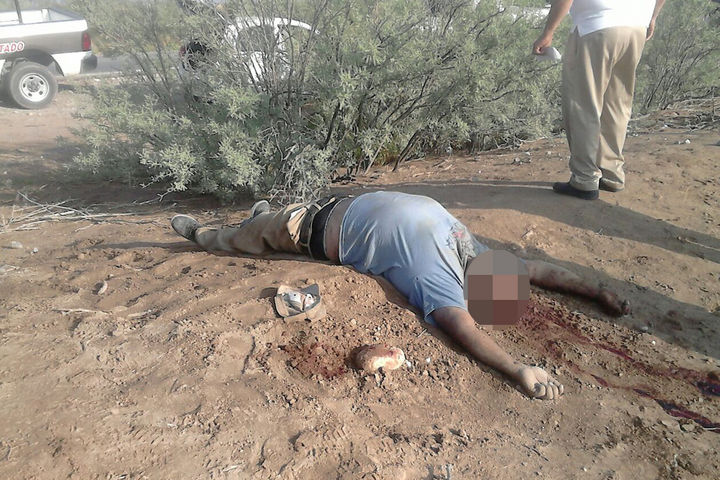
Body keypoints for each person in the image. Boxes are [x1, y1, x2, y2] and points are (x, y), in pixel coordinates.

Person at [171, 191, 630, 400]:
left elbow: (465, 323)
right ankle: (230, 230)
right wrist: (596, 290)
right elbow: (530, 275)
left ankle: (218, 232)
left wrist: (516, 368)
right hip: (322, 212)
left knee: (262, 231)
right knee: (256, 231)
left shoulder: (460, 254)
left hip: (313, 223)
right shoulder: (464, 260)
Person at [533, 0, 666, 200]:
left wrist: (548, 32)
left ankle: (584, 178)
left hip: (595, 27)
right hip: (635, 27)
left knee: (583, 104)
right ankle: (612, 173)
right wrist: (652, 17)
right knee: (617, 104)